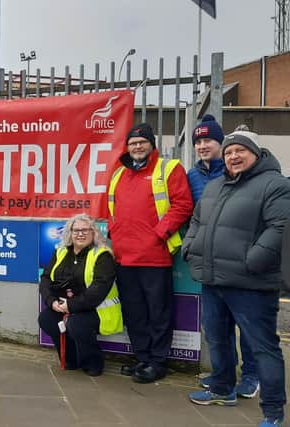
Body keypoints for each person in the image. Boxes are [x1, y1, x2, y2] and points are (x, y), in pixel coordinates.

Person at [183, 129, 290, 427]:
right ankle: (222, 389)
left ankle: (273, 412)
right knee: (217, 339)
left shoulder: (276, 185)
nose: (233, 156)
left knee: (263, 347)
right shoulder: (217, 186)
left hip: (251, 284)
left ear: (256, 153)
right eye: (229, 152)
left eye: (240, 150)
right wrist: (190, 247)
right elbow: (197, 219)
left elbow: (281, 227)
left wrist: (252, 261)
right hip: (213, 279)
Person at [107, 122, 193, 383]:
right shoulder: (119, 173)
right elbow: (111, 208)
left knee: (158, 312)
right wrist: (114, 234)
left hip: (155, 256)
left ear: (151, 144)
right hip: (124, 256)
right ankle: (142, 358)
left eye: (142, 142)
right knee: (134, 312)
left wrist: (159, 234)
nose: (137, 147)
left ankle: (158, 361)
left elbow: (183, 205)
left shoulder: (169, 168)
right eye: (133, 143)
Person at [188, 117, 259, 398]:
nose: (204, 146)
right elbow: (193, 214)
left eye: (209, 140)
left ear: (221, 143)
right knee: (218, 327)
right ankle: (223, 376)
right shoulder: (192, 176)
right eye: (199, 142)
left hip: (241, 263)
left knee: (248, 325)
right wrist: (191, 245)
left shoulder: (236, 173)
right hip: (209, 263)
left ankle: (252, 377)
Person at [38, 213, 122, 376]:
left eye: (85, 230)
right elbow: (46, 278)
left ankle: (92, 363)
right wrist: (52, 301)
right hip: (64, 305)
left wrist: (70, 306)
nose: (80, 234)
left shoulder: (103, 254)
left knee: (76, 323)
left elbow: (99, 288)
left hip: (96, 309)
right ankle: (70, 359)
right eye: (76, 230)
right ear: (69, 233)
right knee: (46, 319)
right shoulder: (61, 252)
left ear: (94, 232)